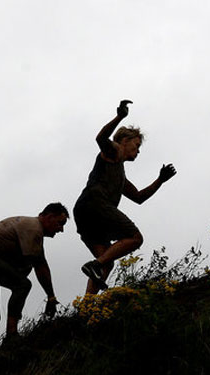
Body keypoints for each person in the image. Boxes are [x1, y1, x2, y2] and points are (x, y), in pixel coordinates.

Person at [75, 100, 177, 293]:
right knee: (135, 238)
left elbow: (138, 197)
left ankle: (87, 305)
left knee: (106, 260)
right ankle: (95, 265)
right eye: (137, 145)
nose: (138, 151)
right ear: (124, 140)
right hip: (96, 203)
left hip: (84, 213)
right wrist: (120, 116)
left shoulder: (119, 173)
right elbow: (101, 138)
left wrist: (160, 180)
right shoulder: (114, 151)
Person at [0, 203, 69, 360]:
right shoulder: (33, 228)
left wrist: (51, 297)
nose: (61, 229)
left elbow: (41, 265)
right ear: (49, 217)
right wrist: (50, 297)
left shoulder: (33, 231)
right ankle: (11, 336)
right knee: (23, 285)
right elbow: (39, 266)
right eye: (60, 223)